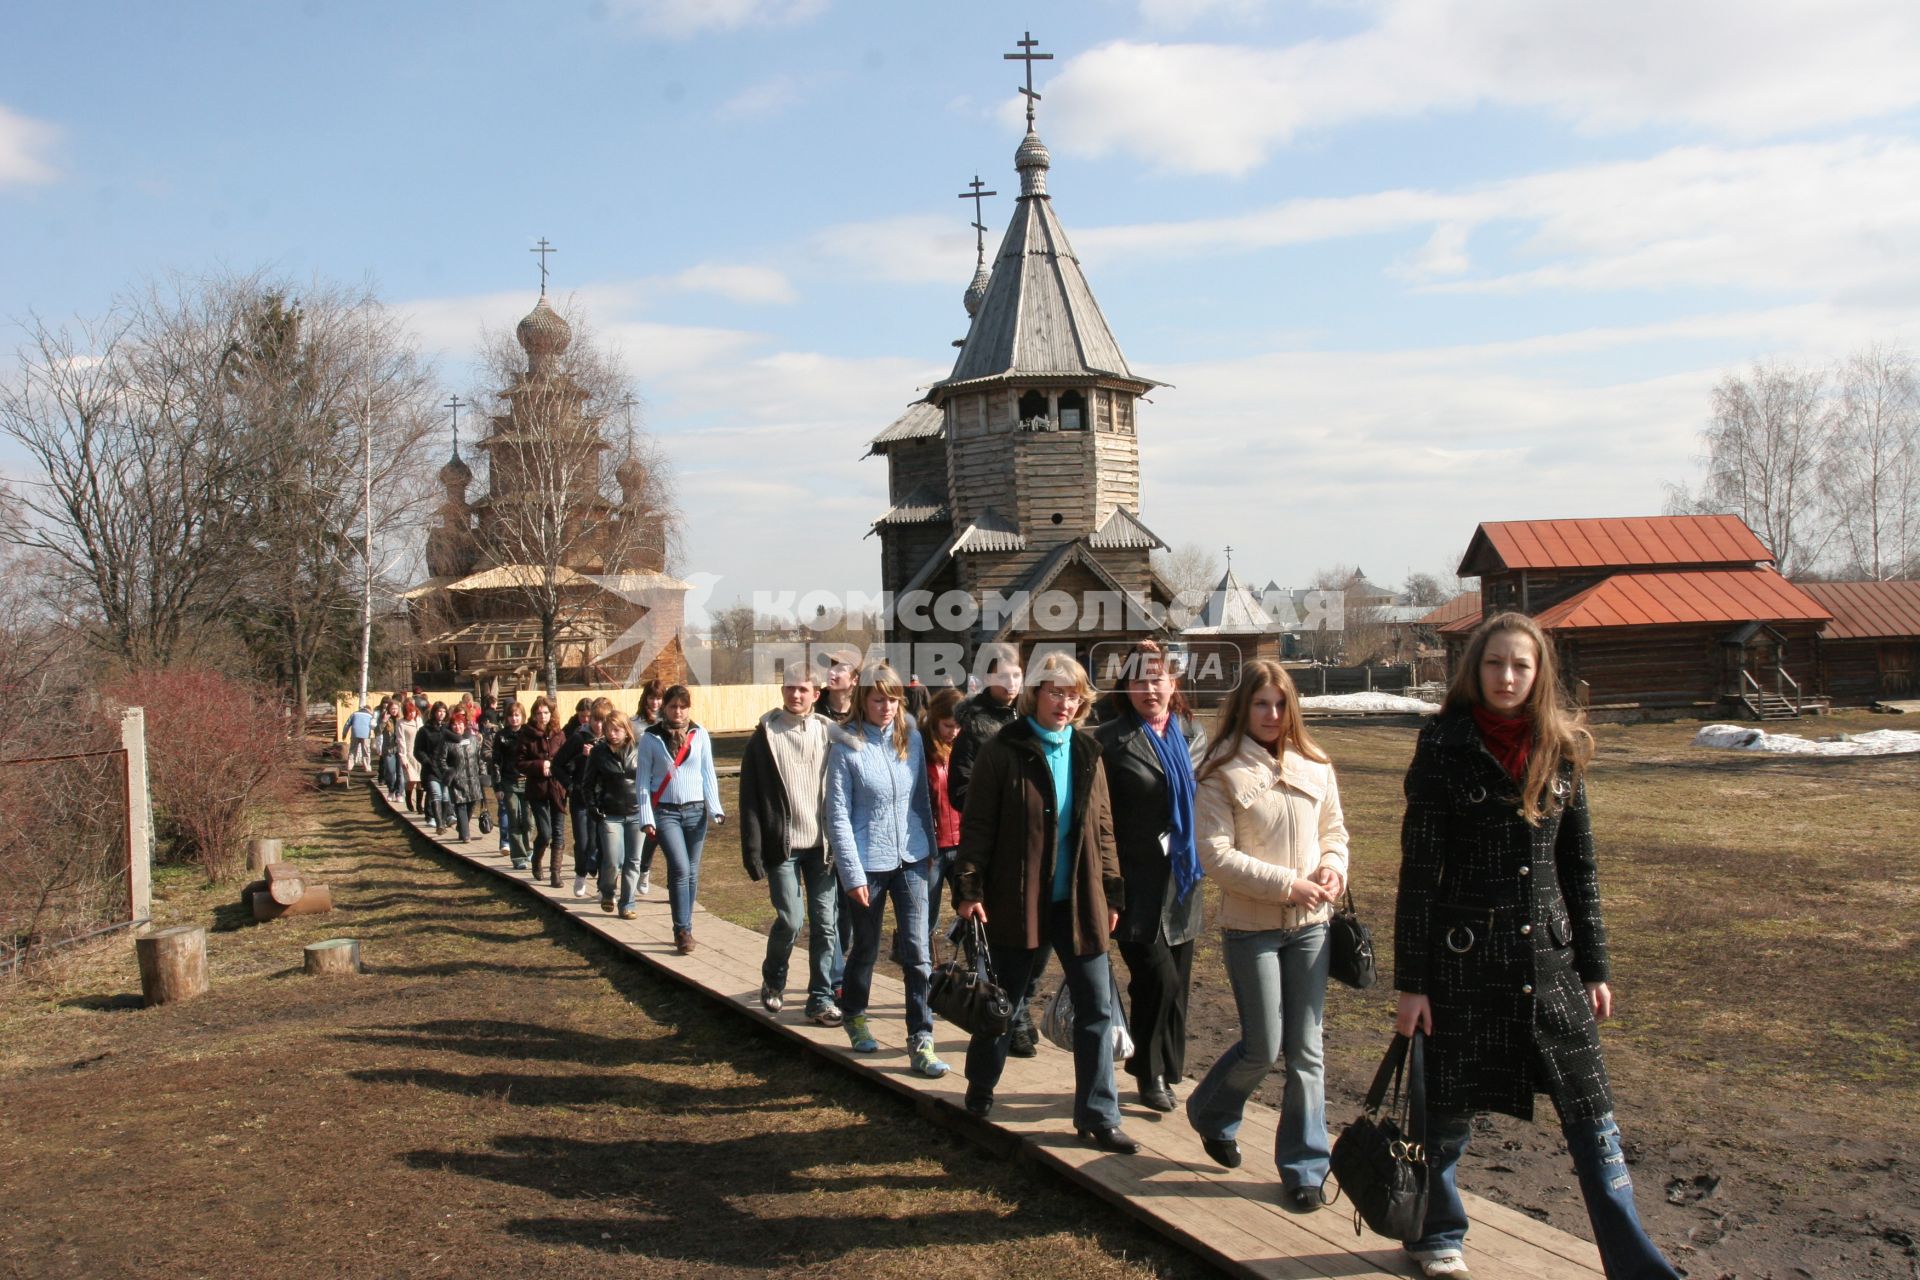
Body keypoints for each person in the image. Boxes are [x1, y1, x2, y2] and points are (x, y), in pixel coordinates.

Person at [1394, 614, 1678, 1280]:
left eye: (1520, 666)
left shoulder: (1562, 747)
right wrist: (1413, 983)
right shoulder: (1442, 745)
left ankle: (1636, 1265)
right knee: (1446, 1116)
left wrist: (1595, 965)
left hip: (1550, 966)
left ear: (1539, 672)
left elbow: (1580, 866)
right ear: (1476, 669)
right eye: (1495, 664)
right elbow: (1417, 871)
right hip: (1464, 965)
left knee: (1593, 1121)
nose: (1507, 677)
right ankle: (1437, 1234)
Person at [952, 651, 1135, 1153]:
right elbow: (978, 827)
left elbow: (1103, 828)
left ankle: (1098, 1114)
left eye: (1073, 693)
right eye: (1055, 690)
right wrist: (969, 890)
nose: (1064, 701)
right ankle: (980, 1087)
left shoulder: (1088, 752)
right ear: (1034, 693)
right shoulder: (1002, 749)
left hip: (1079, 902)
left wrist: (1112, 890)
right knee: (1004, 1005)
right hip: (1018, 900)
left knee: (1097, 1007)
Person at [1184, 660, 1348, 1211]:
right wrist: (1289, 885)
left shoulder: (1316, 764)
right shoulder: (1220, 771)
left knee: (1307, 1051)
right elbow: (1215, 856)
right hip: (1251, 929)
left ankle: (1305, 1166)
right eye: (1261, 703)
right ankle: (1212, 1112)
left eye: (1281, 703)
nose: (1273, 714)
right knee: (1264, 1046)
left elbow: (1335, 833)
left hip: (1311, 931)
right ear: (1243, 707)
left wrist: (1332, 870)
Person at [1093, 639, 1209, 1115]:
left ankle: (1167, 1067)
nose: (1149, 689)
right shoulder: (1110, 739)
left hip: (1182, 880)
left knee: (1176, 983)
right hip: (1133, 882)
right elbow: (1095, 817)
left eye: (1157, 678)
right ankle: (1148, 1072)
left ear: (1174, 684)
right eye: (1138, 680)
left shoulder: (1193, 734)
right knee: (1156, 978)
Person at [825, 663, 946, 1076]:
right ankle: (855, 1014)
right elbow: (837, 815)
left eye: (894, 698)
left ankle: (921, 1038)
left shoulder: (910, 738)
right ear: (863, 699)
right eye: (879, 699)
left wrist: (929, 845)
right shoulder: (845, 746)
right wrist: (851, 873)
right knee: (867, 947)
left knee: (918, 950)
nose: (888, 707)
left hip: (911, 857)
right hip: (867, 862)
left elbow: (921, 800)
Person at [948, 641, 1042, 1056]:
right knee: (1001, 939)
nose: (1011, 681)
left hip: (1036, 845)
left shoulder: (1032, 719)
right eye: (1003, 674)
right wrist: (1001, 809)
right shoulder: (973, 727)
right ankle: (1012, 1017)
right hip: (992, 848)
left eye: (1017, 674)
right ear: (987, 678)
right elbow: (959, 789)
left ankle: (1020, 1005)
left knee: (1041, 939)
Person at [740, 671, 844, 1026]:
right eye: (790, 688)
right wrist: (752, 850)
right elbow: (750, 798)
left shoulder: (830, 733)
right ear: (782, 691)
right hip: (782, 847)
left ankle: (820, 998)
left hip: (823, 847)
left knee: (827, 925)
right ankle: (774, 979)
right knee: (791, 919)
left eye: (803, 689)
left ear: (816, 693)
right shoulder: (764, 737)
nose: (796, 694)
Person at [638, 685, 725, 954]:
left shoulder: (699, 734)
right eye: (673, 706)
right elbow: (642, 780)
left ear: (689, 708)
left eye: (682, 706)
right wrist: (646, 816)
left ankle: (687, 924)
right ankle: (682, 930)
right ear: (664, 707)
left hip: (695, 811)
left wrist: (715, 808)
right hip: (666, 812)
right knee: (679, 868)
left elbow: (707, 773)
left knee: (692, 870)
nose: (678, 711)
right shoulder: (650, 738)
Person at [587, 709, 655, 920]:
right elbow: (587, 784)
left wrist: (649, 808)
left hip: (636, 813)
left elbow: (650, 779)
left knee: (633, 860)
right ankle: (607, 891)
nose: (612, 734)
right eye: (609, 730)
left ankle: (627, 903)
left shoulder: (640, 749)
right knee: (613, 859)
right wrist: (593, 807)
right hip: (610, 814)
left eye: (617, 730)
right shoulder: (599, 753)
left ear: (627, 730)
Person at [920, 687, 966, 957]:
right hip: (932, 849)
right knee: (925, 918)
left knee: (972, 913)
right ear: (935, 720)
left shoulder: (966, 749)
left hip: (962, 843)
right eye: (949, 725)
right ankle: (923, 977)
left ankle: (979, 976)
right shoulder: (921, 750)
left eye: (960, 726)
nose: (955, 732)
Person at [555, 697, 606, 899]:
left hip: (603, 799)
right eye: (595, 720)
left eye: (602, 721)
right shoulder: (579, 738)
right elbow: (558, 764)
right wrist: (569, 784)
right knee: (583, 841)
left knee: (601, 843)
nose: (598, 725)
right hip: (581, 799)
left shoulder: (612, 739)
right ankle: (581, 873)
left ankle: (604, 886)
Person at [516, 696, 568, 885]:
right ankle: (536, 860)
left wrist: (558, 768)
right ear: (533, 714)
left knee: (559, 832)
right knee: (545, 832)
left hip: (557, 789)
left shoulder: (559, 734)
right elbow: (519, 763)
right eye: (539, 713)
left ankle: (556, 873)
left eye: (546, 713)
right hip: (537, 789)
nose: (542, 717)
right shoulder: (526, 735)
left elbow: (567, 759)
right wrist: (539, 765)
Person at [633, 679, 668, 894]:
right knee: (650, 832)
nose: (655, 702)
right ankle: (643, 869)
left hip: (666, 785)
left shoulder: (671, 721)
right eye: (652, 697)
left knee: (667, 835)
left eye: (659, 698)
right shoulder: (635, 724)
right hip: (643, 784)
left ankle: (673, 884)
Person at [440, 709, 487, 842]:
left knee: (472, 805)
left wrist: (482, 773)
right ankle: (466, 835)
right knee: (460, 805)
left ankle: (461, 827)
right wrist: (449, 772)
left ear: (464, 725)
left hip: (473, 779)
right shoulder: (447, 742)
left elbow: (480, 758)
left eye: (460, 724)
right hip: (457, 780)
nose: (457, 727)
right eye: (454, 724)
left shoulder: (472, 739)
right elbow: (441, 760)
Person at [492, 700, 527, 865]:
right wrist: (497, 785)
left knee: (528, 820)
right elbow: (496, 762)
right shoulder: (501, 736)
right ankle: (518, 856)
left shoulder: (528, 734)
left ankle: (528, 848)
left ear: (522, 717)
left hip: (527, 781)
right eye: (511, 716)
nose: (514, 719)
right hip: (508, 781)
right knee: (513, 817)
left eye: (517, 715)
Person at [413, 702, 453, 834]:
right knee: (436, 793)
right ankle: (439, 824)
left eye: (443, 712)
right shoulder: (425, 730)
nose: (441, 714)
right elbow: (418, 750)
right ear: (434, 713)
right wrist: (426, 761)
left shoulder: (448, 729)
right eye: (439, 711)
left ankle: (444, 819)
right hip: (430, 768)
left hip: (445, 768)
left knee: (446, 794)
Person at [397, 699, 423, 813]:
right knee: (411, 779)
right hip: (409, 754)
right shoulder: (401, 723)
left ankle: (419, 805)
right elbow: (400, 741)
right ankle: (408, 798)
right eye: (409, 712)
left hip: (420, 754)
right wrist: (403, 758)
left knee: (421, 780)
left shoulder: (418, 720)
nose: (411, 714)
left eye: (413, 712)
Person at [376, 701, 404, 801]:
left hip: (400, 749)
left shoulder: (402, 719)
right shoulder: (384, 718)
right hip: (388, 749)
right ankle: (391, 790)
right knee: (390, 771)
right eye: (392, 709)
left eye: (396, 709)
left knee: (400, 772)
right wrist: (383, 721)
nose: (394, 711)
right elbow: (378, 731)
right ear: (389, 709)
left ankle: (399, 793)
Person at [341, 702, 374, 774]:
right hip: (365, 734)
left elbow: (347, 724)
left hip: (355, 734)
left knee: (352, 750)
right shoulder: (370, 715)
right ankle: (367, 767)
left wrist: (344, 734)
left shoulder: (354, 714)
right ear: (369, 709)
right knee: (366, 751)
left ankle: (349, 767)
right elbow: (373, 725)